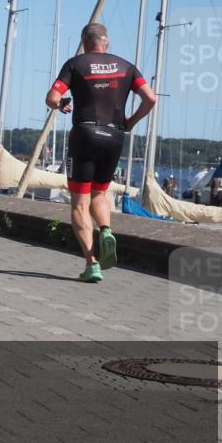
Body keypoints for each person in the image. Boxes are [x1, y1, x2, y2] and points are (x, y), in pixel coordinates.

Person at [46, 23, 157, 283]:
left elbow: (52, 97)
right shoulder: (126, 66)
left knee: (80, 203)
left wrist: (61, 104)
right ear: (106, 44)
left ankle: (91, 263)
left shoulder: (76, 64)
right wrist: (130, 122)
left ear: (85, 43)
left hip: (84, 134)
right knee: (100, 192)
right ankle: (106, 229)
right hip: (115, 135)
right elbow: (150, 98)